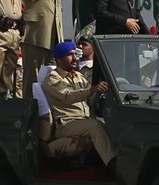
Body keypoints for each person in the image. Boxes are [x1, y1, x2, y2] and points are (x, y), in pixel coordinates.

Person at [40, 41, 115, 173]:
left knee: (109, 123)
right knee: (95, 126)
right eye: (70, 55)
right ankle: (114, 165)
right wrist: (92, 90)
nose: (75, 58)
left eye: (75, 54)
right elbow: (68, 96)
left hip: (82, 121)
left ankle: (104, 165)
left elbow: (91, 99)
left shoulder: (79, 77)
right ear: (59, 59)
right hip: (66, 124)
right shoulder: (52, 79)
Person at [18, 0, 64, 101]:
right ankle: (30, 117)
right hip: (36, 36)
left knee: (51, 80)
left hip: (54, 36)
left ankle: (48, 116)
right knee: (32, 80)